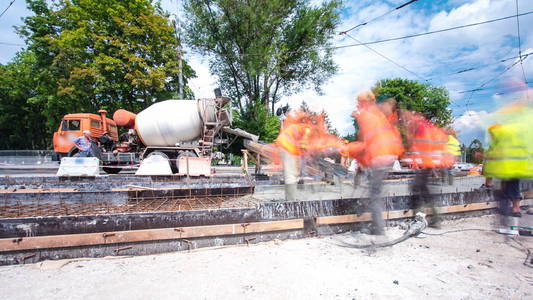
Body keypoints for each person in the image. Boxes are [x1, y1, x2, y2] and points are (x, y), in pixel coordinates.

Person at [344, 91, 404, 235]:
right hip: (388, 156)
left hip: (379, 156)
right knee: (372, 187)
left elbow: (367, 142)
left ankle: (378, 230)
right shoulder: (377, 115)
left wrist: (351, 150)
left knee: (374, 193)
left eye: (359, 101)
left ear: (366, 102)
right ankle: (367, 214)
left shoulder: (368, 116)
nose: (357, 104)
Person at [402, 111, 448, 228]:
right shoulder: (428, 127)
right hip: (429, 163)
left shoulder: (422, 127)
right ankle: (434, 218)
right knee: (423, 190)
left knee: (418, 189)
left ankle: (420, 219)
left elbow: (422, 146)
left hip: (426, 164)